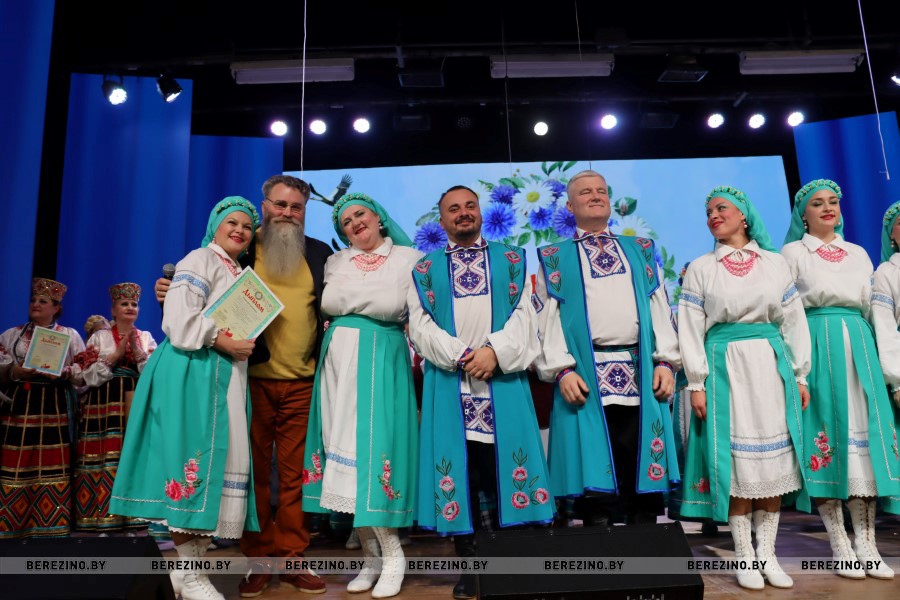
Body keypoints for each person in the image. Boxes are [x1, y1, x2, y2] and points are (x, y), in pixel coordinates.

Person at [155, 175, 333, 597]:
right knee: (252, 477)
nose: (287, 213)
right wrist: (168, 289)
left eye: (296, 207)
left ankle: (292, 558)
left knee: (297, 477)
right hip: (247, 382)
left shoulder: (320, 253)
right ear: (263, 206)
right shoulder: (241, 247)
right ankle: (258, 561)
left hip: (303, 382)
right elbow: (199, 291)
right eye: (280, 205)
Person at [110, 197, 261, 600]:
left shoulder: (238, 271)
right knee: (191, 464)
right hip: (193, 370)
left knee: (213, 469)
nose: (240, 230)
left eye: (247, 226)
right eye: (232, 222)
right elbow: (179, 319)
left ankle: (185, 571)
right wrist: (223, 341)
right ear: (215, 225)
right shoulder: (199, 259)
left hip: (222, 376)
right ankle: (192, 576)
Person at [408, 185, 554, 600]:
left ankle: (512, 568)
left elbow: (526, 317)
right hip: (450, 384)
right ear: (442, 221)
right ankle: (472, 568)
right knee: (464, 476)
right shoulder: (424, 269)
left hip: (502, 381)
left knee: (504, 471)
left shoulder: (512, 260)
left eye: (470, 205)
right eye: (454, 209)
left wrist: (494, 353)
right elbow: (419, 326)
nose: (463, 213)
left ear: (481, 212)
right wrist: (461, 356)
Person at [678, 185, 811, 590]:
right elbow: (690, 328)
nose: (713, 216)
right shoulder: (703, 267)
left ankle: (767, 554)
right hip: (725, 367)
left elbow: (793, 320)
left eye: (722, 208)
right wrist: (697, 382)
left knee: (772, 467)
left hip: (770, 366)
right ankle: (744, 556)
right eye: (708, 212)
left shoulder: (774, 263)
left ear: (744, 215)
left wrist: (799, 374)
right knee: (738, 467)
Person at [534, 170, 680, 528]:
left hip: (639, 371)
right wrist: (561, 370)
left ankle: (644, 550)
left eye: (601, 190)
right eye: (585, 192)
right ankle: (602, 552)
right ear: (570, 206)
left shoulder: (640, 250)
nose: (596, 196)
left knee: (640, 474)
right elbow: (545, 321)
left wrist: (665, 362)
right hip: (585, 374)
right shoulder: (554, 257)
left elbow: (659, 306)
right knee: (595, 487)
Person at [302, 193, 421, 598]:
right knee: (346, 458)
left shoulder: (408, 259)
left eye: (360, 214)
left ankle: (394, 553)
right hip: (337, 363)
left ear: (379, 217)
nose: (354, 222)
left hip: (381, 357)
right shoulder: (335, 262)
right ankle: (371, 556)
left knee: (375, 451)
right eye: (345, 221)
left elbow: (423, 314)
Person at [782, 180, 898, 580]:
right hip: (817, 342)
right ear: (803, 214)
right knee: (827, 440)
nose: (828, 208)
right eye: (817, 203)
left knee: (864, 446)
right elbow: (788, 311)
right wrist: (797, 366)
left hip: (859, 344)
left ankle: (867, 542)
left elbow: (871, 309)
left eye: (833, 201)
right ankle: (839, 542)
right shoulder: (793, 253)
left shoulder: (858, 253)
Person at [0, 278, 86, 538]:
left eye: (43, 301)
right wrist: (15, 371)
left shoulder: (69, 335)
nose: (36, 304)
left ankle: (50, 525)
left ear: (56, 308)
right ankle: (12, 523)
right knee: (17, 459)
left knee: (52, 459)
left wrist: (64, 372)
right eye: (33, 300)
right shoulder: (12, 334)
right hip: (21, 403)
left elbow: (83, 370)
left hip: (54, 403)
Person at [70, 283, 157, 533]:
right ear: (113, 310)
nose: (130, 307)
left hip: (133, 400)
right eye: (124, 304)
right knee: (103, 454)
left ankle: (133, 517)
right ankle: (99, 516)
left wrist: (137, 352)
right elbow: (85, 376)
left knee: (131, 454)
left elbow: (154, 374)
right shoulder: (100, 337)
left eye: (134, 304)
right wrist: (115, 355)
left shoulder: (145, 337)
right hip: (104, 401)